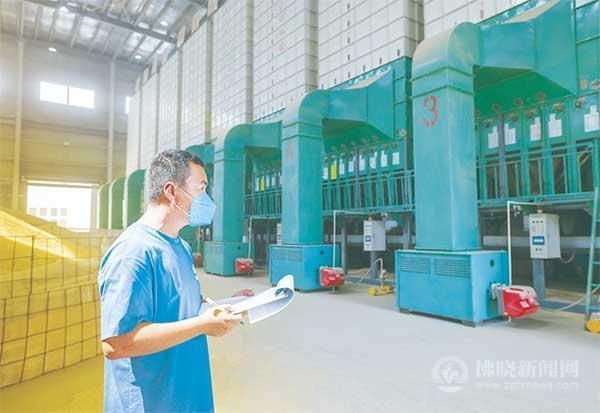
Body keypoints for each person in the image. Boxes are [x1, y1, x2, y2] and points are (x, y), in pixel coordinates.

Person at [98, 149, 254, 413]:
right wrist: (202, 325)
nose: (206, 199)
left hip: (187, 395)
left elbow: (183, 307)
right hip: (152, 402)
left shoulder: (181, 247)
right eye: (201, 188)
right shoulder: (133, 252)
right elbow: (116, 344)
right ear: (171, 191)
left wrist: (228, 306)